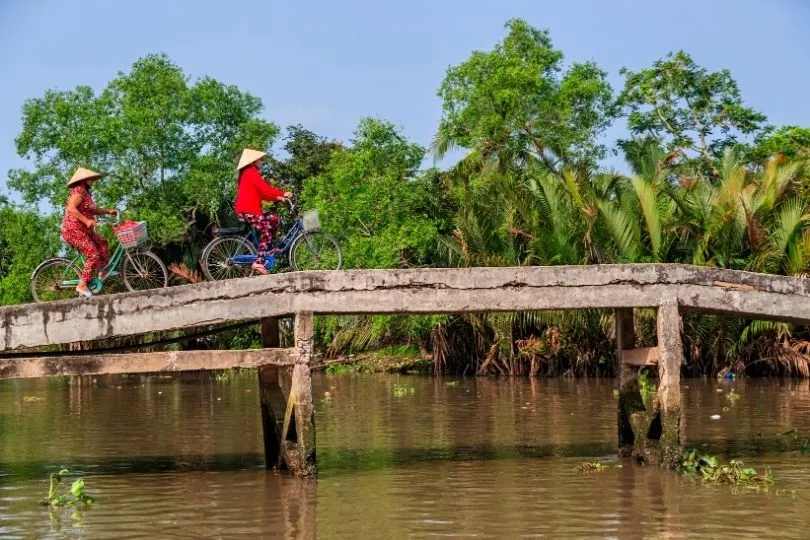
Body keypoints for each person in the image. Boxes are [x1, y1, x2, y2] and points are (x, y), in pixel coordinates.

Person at [61, 167, 118, 297]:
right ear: (83, 180)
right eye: (90, 178)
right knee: (93, 254)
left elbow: (94, 209)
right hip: (73, 229)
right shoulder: (78, 190)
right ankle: (82, 285)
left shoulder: (86, 194)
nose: (92, 180)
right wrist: (87, 221)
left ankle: (103, 271)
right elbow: (71, 208)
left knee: (103, 242)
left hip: (84, 230)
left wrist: (108, 211)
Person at [234, 149, 292, 275]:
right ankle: (258, 262)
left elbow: (261, 193)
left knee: (273, 219)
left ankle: (269, 249)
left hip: (253, 211)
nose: (262, 162)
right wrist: (283, 193)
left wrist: (277, 197)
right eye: (260, 159)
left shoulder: (251, 173)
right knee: (266, 228)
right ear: (253, 161)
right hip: (247, 211)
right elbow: (265, 187)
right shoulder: (250, 172)